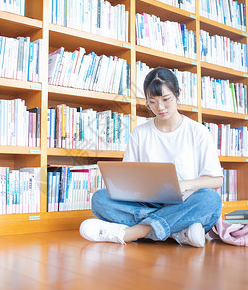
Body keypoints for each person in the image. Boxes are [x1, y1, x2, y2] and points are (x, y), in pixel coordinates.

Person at [79, 67, 223, 247]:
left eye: (166, 99)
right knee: (100, 198)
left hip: (185, 202)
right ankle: (178, 232)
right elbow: (127, 178)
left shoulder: (198, 132)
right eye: (152, 102)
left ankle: (134, 232)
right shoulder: (140, 133)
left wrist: (186, 184)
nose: (160, 107)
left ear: (178, 94)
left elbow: (216, 180)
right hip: (147, 204)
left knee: (211, 200)